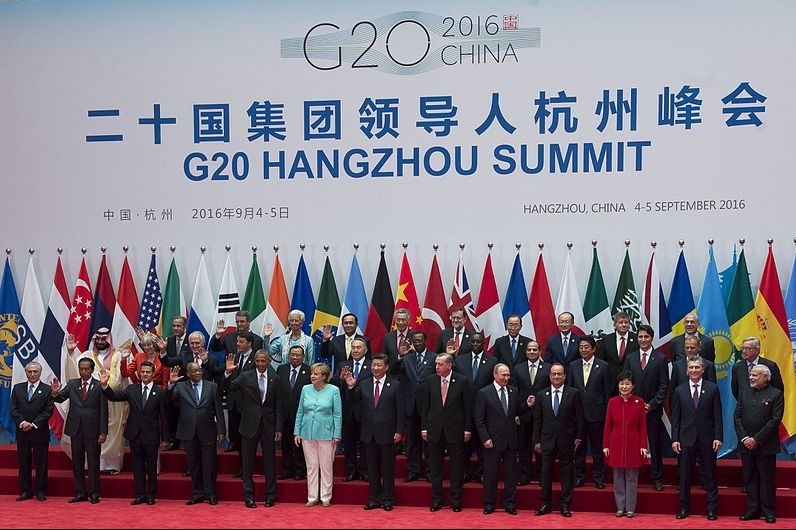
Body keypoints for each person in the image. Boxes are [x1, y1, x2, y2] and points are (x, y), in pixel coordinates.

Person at [101, 360, 169, 505]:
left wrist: (165, 438)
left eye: (148, 372)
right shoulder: (132, 389)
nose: (145, 374)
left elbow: (164, 416)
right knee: (137, 467)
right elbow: (114, 397)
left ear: (153, 374)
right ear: (138, 373)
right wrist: (105, 385)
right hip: (134, 434)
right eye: (142, 372)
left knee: (151, 467)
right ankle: (139, 495)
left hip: (152, 435)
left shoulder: (160, 392)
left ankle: (151, 495)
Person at [343, 353, 404, 511]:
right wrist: (350, 386)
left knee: (388, 469)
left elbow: (400, 410)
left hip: (388, 433)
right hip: (368, 433)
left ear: (386, 367)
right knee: (372, 468)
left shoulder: (395, 384)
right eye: (373, 365)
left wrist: (399, 430)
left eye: (379, 365)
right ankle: (374, 499)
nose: (375, 368)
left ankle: (388, 499)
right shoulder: (363, 383)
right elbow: (353, 400)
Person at [224, 349, 282, 508]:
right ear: (254, 361)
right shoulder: (246, 375)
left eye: (264, 361)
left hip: (268, 426)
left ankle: (270, 496)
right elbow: (229, 387)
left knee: (270, 463)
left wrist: (279, 428)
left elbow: (279, 406)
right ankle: (248, 496)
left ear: (269, 361)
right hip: (249, 425)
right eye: (258, 361)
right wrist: (228, 374)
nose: (261, 364)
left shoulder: (275, 379)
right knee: (247, 463)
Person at [66, 327, 126, 474]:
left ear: (109, 340)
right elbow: (75, 373)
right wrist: (71, 353)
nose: (100, 341)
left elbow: (120, 379)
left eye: (103, 339)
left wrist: (105, 386)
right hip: (90, 401)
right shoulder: (87, 354)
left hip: (111, 400)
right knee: (89, 433)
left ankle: (110, 465)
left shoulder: (117, 356)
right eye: (97, 339)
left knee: (110, 432)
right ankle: (89, 466)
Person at [50, 357, 108, 504]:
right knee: (77, 462)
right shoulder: (72, 384)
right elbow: (60, 398)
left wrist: (103, 431)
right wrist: (55, 393)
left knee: (94, 462)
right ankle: (80, 492)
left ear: (92, 369)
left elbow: (104, 410)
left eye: (86, 369)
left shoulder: (99, 385)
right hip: (76, 429)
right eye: (81, 368)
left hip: (93, 430)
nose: (83, 371)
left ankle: (94, 493)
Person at [671, 356, 722, 520]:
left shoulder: (712, 388)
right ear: (687, 370)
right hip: (685, 439)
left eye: (696, 368)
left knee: (710, 475)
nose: (694, 370)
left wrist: (718, 437)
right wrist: (675, 439)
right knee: (685, 476)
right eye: (691, 368)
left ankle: (712, 508)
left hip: (707, 439)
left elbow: (717, 416)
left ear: (702, 370)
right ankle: (684, 507)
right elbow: (676, 418)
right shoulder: (679, 390)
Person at [475, 363, 529, 516]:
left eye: (508, 375)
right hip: (492, 441)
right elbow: (479, 419)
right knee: (490, 474)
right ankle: (489, 504)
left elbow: (516, 410)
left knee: (511, 475)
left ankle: (509, 504)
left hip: (510, 440)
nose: (506, 378)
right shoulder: (484, 393)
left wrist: (527, 405)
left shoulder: (514, 391)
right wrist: (485, 438)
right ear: (495, 375)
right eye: (503, 375)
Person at [168, 363, 225, 505]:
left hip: (208, 430)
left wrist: (222, 430)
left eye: (199, 370)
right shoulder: (180, 387)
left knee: (209, 463)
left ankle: (211, 493)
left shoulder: (212, 387)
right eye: (194, 371)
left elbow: (218, 409)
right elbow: (169, 401)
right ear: (188, 374)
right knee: (194, 464)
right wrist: (170, 385)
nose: (198, 372)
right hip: (189, 431)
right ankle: (197, 494)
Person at [421, 353, 473, 513]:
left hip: (455, 430)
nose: (436, 367)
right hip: (435, 429)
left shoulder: (462, 381)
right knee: (435, 467)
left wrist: (467, 429)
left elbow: (467, 408)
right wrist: (424, 428)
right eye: (436, 364)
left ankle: (456, 501)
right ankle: (437, 500)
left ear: (449, 365)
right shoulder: (430, 380)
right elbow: (425, 407)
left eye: (440, 364)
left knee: (456, 468)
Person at [533, 362, 585, 518]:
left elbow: (580, 418)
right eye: (554, 374)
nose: (556, 376)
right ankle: (546, 504)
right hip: (546, 440)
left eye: (559, 374)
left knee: (567, 474)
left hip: (567, 440)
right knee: (545, 473)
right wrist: (536, 440)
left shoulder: (573, 393)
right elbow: (538, 419)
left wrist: (579, 437)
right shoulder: (541, 394)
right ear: (549, 376)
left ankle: (565, 505)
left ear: (564, 376)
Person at [735, 364, 783, 524]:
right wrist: (745, 438)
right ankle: (752, 510)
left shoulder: (776, 394)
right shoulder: (744, 393)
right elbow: (737, 416)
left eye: (755, 375)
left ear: (766, 377)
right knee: (749, 478)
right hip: (745, 445)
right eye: (750, 375)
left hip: (766, 445)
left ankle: (769, 511)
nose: (751, 378)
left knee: (766, 478)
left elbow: (775, 420)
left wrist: (756, 439)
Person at [623, 324, 668, 491]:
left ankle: (657, 477)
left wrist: (652, 404)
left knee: (655, 445)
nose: (643, 340)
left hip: (652, 410)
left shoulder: (661, 358)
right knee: (632, 443)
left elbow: (664, 386)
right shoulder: (630, 358)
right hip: (632, 410)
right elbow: (625, 382)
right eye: (640, 337)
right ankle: (633, 477)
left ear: (652, 338)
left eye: (646, 337)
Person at [294, 362, 342, 507]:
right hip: (307, 432)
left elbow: (337, 414)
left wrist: (337, 433)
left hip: (327, 433)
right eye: (312, 373)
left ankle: (326, 497)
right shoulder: (305, 389)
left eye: (316, 374)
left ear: (324, 376)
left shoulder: (334, 390)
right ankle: (312, 497)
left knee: (326, 466)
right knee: (311, 466)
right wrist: (297, 432)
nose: (312, 376)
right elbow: (300, 411)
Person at [603, 371, 648, 518]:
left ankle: (630, 508)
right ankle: (620, 507)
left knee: (631, 478)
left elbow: (642, 426)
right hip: (615, 443)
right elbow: (607, 426)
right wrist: (606, 445)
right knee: (617, 478)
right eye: (621, 383)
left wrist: (643, 445)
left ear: (633, 385)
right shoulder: (612, 402)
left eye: (627, 383)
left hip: (634, 444)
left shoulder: (639, 402)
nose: (624, 386)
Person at [568, 336, 611, 489]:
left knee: (597, 448)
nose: (583, 350)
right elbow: (570, 390)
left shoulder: (604, 366)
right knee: (579, 448)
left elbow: (607, 391)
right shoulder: (573, 366)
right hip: (577, 414)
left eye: (587, 347)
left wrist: (607, 413)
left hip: (597, 413)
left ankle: (599, 477)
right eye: (581, 347)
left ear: (593, 349)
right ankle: (579, 477)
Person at [392, 330, 435, 482]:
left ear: (425, 341)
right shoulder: (407, 358)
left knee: (429, 442)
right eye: (415, 341)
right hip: (410, 406)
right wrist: (400, 356)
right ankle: (413, 471)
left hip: (429, 406)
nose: (417, 343)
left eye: (419, 341)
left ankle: (430, 472)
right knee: (411, 442)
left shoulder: (433, 357)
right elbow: (393, 371)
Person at [456, 332, 497, 483]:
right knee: (464, 444)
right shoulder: (459, 361)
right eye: (473, 342)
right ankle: (465, 472)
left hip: (485, 409)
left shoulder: (492, 361)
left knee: (482, 444)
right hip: (463, 409)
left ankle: (481, 472)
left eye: (478, 342)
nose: (475, 344)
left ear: (483, 344)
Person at [10, 362, 54, 502]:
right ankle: (25, 491)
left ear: (40, 373)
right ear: (26, 372)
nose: (32, 374)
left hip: (39, 432)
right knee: (23, 462)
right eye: (30, 371)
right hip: (22, 431)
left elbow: (48, 410)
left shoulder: (47, 390)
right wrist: (23, 423)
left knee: (41, 463)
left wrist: (34, 424)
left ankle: (41, 491)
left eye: (35, 371)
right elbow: (13, 409)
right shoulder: (18, 388)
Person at [511, 339, 550, 486]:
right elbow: (514, 392)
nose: (532, 352)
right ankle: (525, 476)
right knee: (523, 447)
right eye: (529, 350)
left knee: (541, 446)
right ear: (526, 352)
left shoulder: (548, 368)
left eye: (535, 350)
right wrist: (516, 412)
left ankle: (541, 476)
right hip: (523, 413)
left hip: (543, 414)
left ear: (540, 352)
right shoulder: (518, 369)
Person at [332, 337, 371, 482]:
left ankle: (365, 471)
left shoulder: (371, 364)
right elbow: (333, 383)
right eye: (353, 347)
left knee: (365, 444)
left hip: (365, 410)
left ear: (365, 350)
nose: (355, 350)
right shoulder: (343, 364)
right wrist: (341, 379)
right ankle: (351, 471)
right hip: (347, 410)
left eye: (358, 347)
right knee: (348, 443)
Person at [276, 345, 311, 480]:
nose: (295, 357)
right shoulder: (281, 369)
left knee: (300, 444)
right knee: (285, 443)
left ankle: (299, 469)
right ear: (288, 355)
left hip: (302, 414)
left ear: (303, 357)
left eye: (298, 355)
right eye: (292, 355)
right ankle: (286, 469)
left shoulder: (309, 371)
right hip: (284, 413)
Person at [224, 331, 257, 468]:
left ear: (249, 343)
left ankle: (248, 467)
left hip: (248, 405)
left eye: (241, 342)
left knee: (247, 440)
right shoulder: (235, 357)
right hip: (234, 404)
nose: (237, 344)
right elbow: (228, 383)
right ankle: (242, 467)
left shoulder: (257, 358)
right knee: (236, 438)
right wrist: (227, 373)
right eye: (237, 341)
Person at [161, 316, 189, 451]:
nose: (176, 328)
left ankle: (186, 442)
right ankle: (173, 441)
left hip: (187, 382)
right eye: (174, 326)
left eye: (179, 326)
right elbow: (167, 361)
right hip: (172, 383)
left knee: (186, 414)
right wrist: (162, 351)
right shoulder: (169, 341)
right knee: (171, 413)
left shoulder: (191, 340)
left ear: (184, 327)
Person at [597, 312, 638, 392]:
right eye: (620, 322)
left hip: (630, 383)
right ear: (614, 324)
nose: (624, 325)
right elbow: (601, 360)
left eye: (626, 322)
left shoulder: (636, 339)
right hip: (610, 382)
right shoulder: (606, 339)